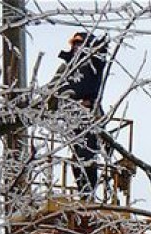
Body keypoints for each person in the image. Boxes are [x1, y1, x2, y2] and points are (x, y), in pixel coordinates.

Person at [55, 32, 107, 200]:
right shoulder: (67, 68)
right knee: (77, 159)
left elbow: (101, 58)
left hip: (90, 116)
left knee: (87, 157)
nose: (76, 47)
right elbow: (55, 90)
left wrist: (101, 45)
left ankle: (88, 195)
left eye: (80, 44)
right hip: (73, 118)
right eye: (75, 44)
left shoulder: (93, 63)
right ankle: (84, 193)